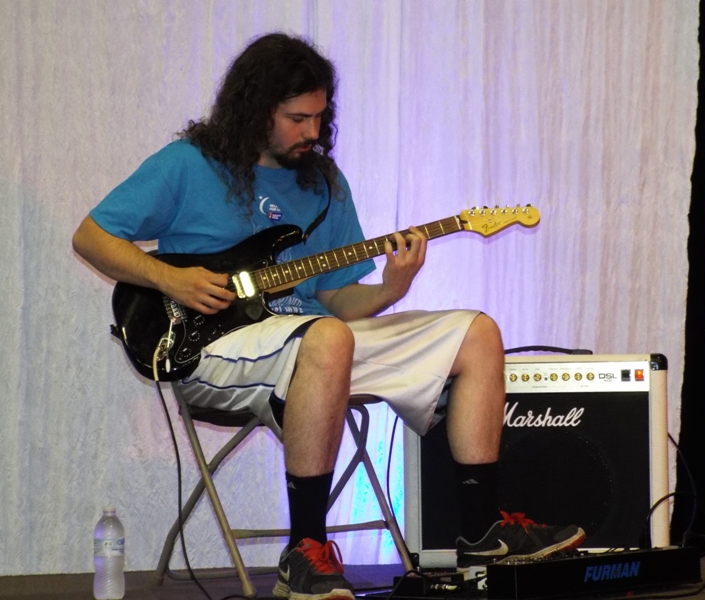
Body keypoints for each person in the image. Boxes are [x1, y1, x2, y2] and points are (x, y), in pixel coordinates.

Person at [73, 33, 584, 600]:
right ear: (255, 109)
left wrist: (392, 287)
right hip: (211, 346)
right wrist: (170, 279)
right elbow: (91, 237)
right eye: (297, 118)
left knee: (476, 333)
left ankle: (483, 532)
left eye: (319, 117)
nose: (312, 132)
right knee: (327, 337)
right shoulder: (188, 165)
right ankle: (305, 550)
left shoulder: (324, 182)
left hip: (317, 345)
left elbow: (338, 298)